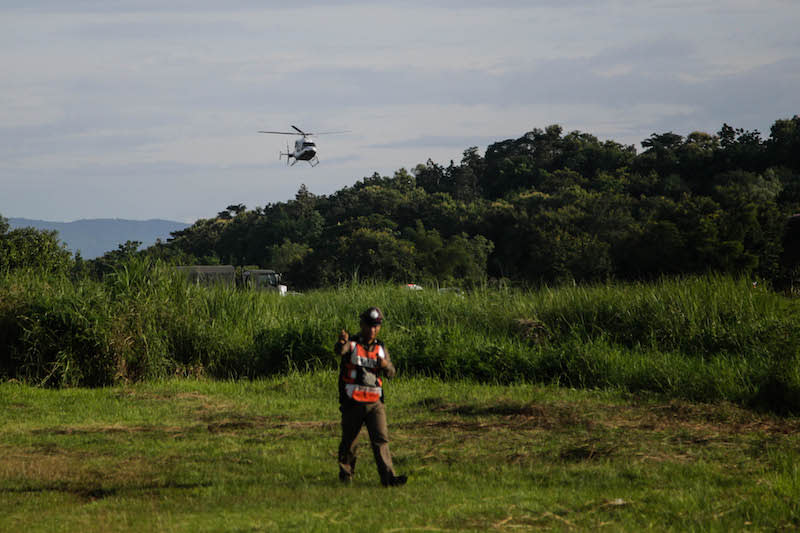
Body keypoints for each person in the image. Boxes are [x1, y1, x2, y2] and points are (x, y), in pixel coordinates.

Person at [334, 306, 407, 486]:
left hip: (375, 403)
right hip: (353, 402)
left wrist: (385, 365)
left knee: (381, 440)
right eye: (369, 326)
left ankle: (389, 479)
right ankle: (346, 476)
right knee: (350, 443)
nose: (372, 330)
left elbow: (391, 372)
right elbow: (340, 351)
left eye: (376, 326)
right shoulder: (352, 344)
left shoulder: (381, 348)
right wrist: (341, 342)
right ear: (362, 325)